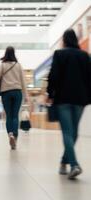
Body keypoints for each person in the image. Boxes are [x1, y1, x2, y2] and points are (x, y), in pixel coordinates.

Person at [47, 29, 91, 179]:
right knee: (73, 133)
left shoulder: (60, 54)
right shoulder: (85, 56)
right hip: (80, 99)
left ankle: (70, 163)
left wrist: (50, 93)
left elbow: (53, 76)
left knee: (68, 132)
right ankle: (70, 164)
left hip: (63, 99)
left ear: (64, 40)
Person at [0, 46, 28, 150]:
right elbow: (23, 82)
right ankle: (15, 137)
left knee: (9, 116)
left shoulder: (2, 65)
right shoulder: (18, 65)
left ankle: (10, 134)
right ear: (14, 53)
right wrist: (26, 96)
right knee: (15, 116)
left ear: (5, 53)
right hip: (17, 92)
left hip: (6, 93)